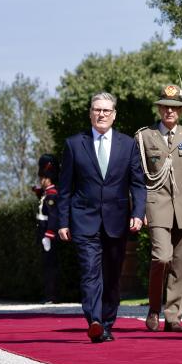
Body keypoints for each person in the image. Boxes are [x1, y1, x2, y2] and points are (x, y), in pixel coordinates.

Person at [57, 92, 146, 343]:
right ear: (90, 113)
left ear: (114, 114)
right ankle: (94, 320)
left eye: (107, 110)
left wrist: (138, 213)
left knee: (112, 275)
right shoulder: (74, 144)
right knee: (89, 271)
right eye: (97, 110)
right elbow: (65, 188)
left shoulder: (128, 145)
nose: (102, 114)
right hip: (84, 220)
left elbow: (138, 184)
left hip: (117, 221)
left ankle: (107, 322)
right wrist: (62, 221)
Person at [135, 84, 182, 332]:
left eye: (175, 108)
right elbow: (137, 176)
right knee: (162, 257)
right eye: (166, 107)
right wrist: (138, 209)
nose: (170, 111)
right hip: (156, 206)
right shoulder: (144, 136)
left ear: (180, 111)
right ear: (160, 108)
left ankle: (173, 316)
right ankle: (153, 308)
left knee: (180, 264)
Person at [35, 154, 61, 304]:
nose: (40, 181)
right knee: (47, 266)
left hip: (47, 235)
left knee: (51, 267)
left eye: (42, 178)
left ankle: (52, 295)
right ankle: (48, 294)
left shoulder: (52, 194)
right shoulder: (46, 194)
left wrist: (49, 234)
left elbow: (53, 216)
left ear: (46, 178)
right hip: (43, 233)